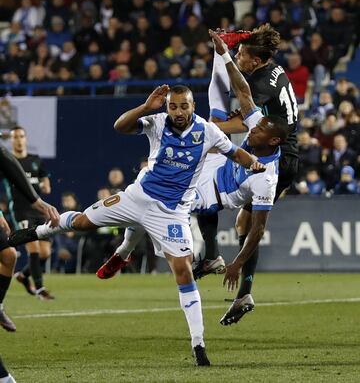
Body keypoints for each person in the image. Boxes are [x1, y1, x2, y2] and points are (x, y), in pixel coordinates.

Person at [8, 85, 263, 366]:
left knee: (183, 270)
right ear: (167, 107)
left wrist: (253, 163)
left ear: (193, 106)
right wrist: (145, 107)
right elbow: (120, 126)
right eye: (173, 106)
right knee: (80, 222)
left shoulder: (207, 131)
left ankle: (198, 344)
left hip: (171, 213)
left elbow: (234, 152)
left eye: (184, 106)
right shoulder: (157, 123)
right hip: (137, 198)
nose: (178, 112)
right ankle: (36, 233)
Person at [103, 30, 288, 326]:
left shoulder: (265, 177)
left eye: (258, 130)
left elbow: (258, 229)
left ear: (273, 140)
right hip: (219, 168)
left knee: (152, 202)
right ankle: (197, 255)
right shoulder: (259, 124)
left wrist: (237, 263)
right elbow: (242, 93)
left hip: (219, 192)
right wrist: (223, 53)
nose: (252, 129)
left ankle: (130, 251)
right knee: (214, 109)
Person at [193, 24, 299, 323]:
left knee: (240, 214)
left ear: (256, 60)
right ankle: (243, 290)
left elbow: (245, 123)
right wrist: (225, 52)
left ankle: (231, 272)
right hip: (284, 154)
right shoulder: (271, 70)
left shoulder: (262, 82)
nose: (239, 58)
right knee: (243, 219)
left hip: (274, 158)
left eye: (242, 54)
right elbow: (240, 95)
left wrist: (205, 131)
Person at [0, 146, 59, 382]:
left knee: (9, 256)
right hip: (21, 211)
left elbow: (3, 158)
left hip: (30, 209)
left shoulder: (34, 160)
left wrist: (37, 200)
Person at [7, 126, 54, 300]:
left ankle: (23, 275)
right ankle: (40, 289)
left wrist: (45, 185)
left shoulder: (35, 160)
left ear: (26, 139)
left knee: (45, 253)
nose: (19, 140)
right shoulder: (8, 161)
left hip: (38, 211)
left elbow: (45, 181)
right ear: (10, 141)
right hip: (20, 210)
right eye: (15, 137)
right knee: (33, 249)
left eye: (21, 136)